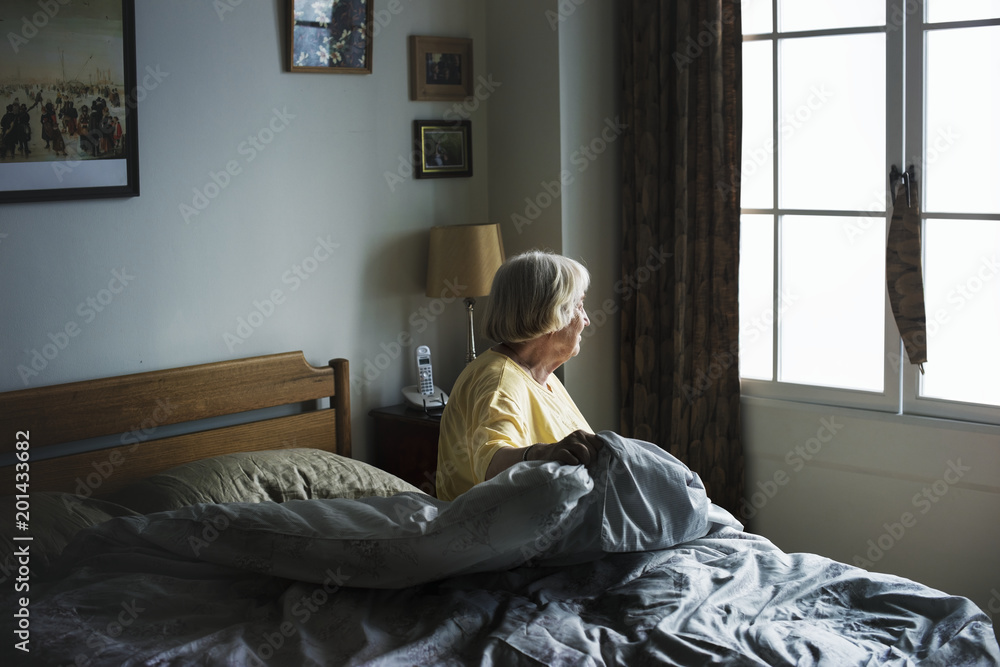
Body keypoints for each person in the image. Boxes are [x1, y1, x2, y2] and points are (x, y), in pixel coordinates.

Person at [435, 250, 604, 501]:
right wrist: (546, 454)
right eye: (579, 306)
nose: (586, 320)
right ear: (551, 313)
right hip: (496, 531)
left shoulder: (542, 377)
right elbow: (492, 466)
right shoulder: (499, 380)